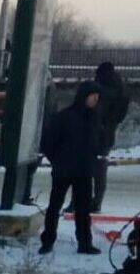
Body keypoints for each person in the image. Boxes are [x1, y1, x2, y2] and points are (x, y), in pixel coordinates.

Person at [39, 80, 102, 255]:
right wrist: (57, 161)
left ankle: (84, 243)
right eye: (92, 95)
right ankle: (48, 241)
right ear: (84, 96)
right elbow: (48, 142)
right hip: (64, 170)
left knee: (83, 210)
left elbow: (97, 142)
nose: (95, 99)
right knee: (54, 206)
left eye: (97, 96)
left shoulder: (94, 117)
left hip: (84, 171)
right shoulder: (65, 116)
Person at [90, 60, 130, 212]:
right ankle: (97, 202)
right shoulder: (122, 89)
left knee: (84, 170)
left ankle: (79, 202)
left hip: (92, 133)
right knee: (100, 172)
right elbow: (121, 114)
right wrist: (110, 125)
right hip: (108, 134)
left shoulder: (99, 88)